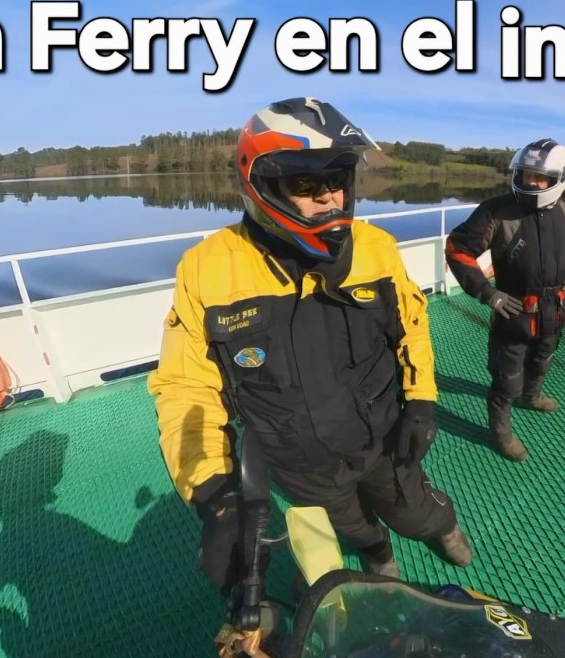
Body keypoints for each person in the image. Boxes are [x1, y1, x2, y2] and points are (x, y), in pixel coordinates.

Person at [148, 97, 474, 602]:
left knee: (416, 510)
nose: (328, 198)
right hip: (298, 462)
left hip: (382, 439)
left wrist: (422, 401)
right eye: (305, 184)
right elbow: (186, 386)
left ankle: (443, 527)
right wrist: (216, 498)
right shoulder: (207, 269)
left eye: (337, 179)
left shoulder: (376, 248)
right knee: (356, 527)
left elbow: (411, 326)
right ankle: (379, 555)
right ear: (261, 185)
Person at [444, 138, 565, 461]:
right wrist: (487, 293)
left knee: (543, 361)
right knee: (506, 382)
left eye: (539, 178)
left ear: (560, 178)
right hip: (512, 316)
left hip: (556, 313)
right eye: (525, 175)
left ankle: (533, 397)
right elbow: (458, 250)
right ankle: (501, 433)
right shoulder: (496, 212)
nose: (530, 182)